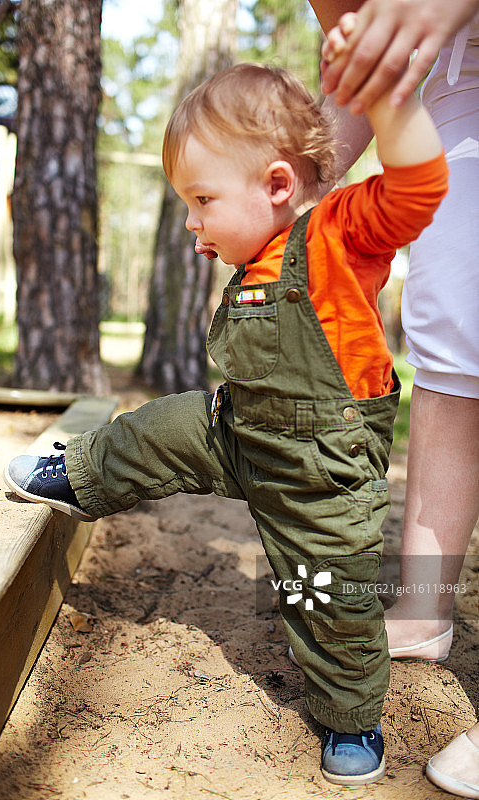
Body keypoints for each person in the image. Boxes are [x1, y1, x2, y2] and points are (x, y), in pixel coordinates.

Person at [3, 62, 447, 786]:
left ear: (276, 185)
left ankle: (349, 718)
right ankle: (81, 475)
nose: (193, 222)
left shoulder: (336, 234)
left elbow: (418, 185)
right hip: (242, 432)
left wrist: (388, 95)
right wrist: (223, 235)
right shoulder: (254, 253)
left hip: (321, 474)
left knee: (328, 599)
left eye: (202, 200)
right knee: (159, 427)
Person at [309, 2, 479, 797]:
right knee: (451, 329)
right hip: (458, 73)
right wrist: (282, 194)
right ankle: (420, 607)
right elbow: (361, 70)